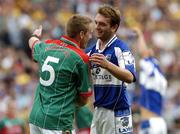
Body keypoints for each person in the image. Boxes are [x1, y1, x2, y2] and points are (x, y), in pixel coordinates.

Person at [28, 14, 93, 134]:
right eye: (89, 33)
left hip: (35, 119)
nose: (91, 36)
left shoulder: (46, 45)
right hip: (58, 123)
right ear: (82, 34)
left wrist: (35, 34)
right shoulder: (81, 58)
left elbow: (32, 41)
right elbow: (84, 97)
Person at [86, 5, 136, 134]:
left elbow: (130, 77)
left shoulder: (120, 48)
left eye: (102, 24)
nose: (97, 27)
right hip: (98, 111)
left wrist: (107, 65)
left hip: (116, 111)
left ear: (114, 27)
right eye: (96, 22)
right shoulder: (91, 50)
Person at [132, 27, 168, 134]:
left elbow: (144, 53)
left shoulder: (150, 70)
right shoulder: (160, 76)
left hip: (150, 123)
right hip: (160, 122)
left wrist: (140, 36)